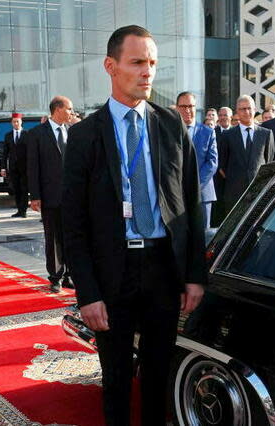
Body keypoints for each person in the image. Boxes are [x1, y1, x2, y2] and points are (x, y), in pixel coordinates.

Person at [62, 25, 205, 425]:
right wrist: (86, 293)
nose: (148, 72)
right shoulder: (85, 136)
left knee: (160, 376)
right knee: (117, 378)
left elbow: (192, 205)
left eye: (153, 63)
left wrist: (195, 274)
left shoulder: (172, 125)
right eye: (138, 62)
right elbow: (72, 224)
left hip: (163, 269)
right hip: (113, 272)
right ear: (111, 66)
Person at [27, 96, 74, 293]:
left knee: (71, 236)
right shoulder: (37, 133)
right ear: (57, 110)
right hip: (49, 195)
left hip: (71, 196)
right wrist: (35, 195)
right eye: (69, 109)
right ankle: (55, 276)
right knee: (53, 237)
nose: (72, 112)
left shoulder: (72, 132)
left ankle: (69, 275)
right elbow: (32, 167)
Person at [220, 95, 274, 206]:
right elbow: (222, 165)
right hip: (234, 193)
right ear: (237, 112)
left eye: (249, 108)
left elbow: (268, 161)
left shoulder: (266, 134)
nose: (246, 112)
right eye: (242, 109)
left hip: (258, 191)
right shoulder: (227, 135)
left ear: (254, 110)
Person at [177, 91, 218, 228]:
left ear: (196, 108)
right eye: (183, 106)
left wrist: (195, 185)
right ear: (177, 108)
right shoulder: (170, 132)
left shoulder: (208, 132)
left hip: (203, 194)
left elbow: (212, 162)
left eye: (191, 106)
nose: (187, 110)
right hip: (177, 195)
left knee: (203, 237)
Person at [2, 112, 29, 217]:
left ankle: (24, 211)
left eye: (17, 121)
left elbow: (30, 152)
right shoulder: (8, 136)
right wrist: (3, 167)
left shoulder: (27, 134)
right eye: (14, 122)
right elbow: (5, 153)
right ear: (11, 123)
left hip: (25, 167)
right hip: (13, 168)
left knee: (24, 189)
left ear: (21, 122)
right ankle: (19, 210)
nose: (16, 123)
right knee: (16, 189)